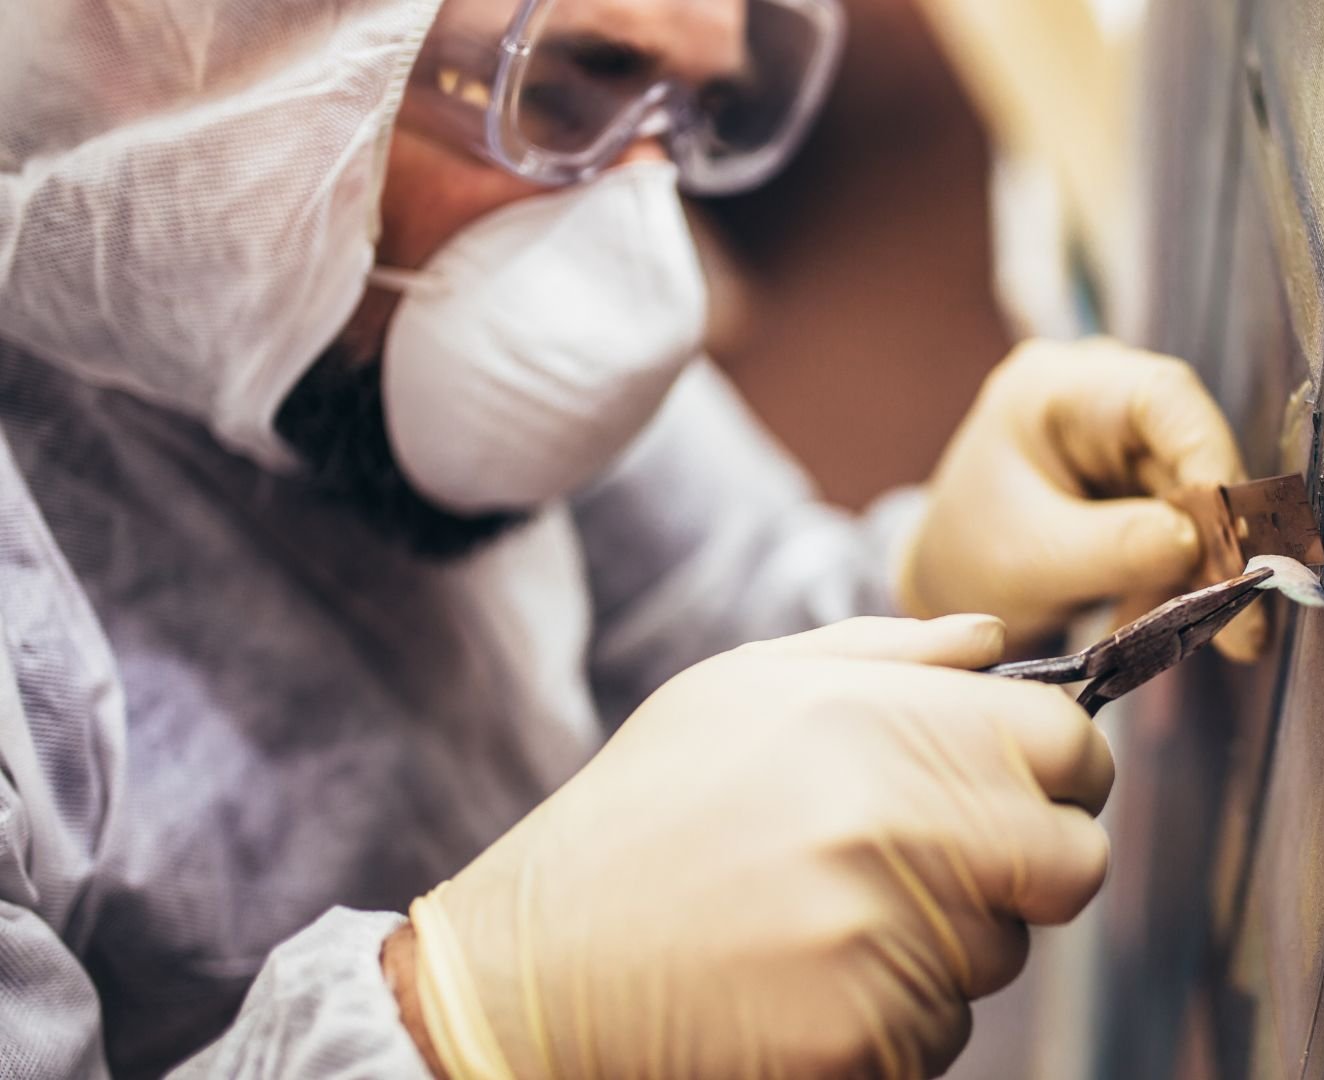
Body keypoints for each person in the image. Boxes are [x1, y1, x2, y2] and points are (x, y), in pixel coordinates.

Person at [0, 0, 1258, 1075]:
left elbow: (701, 639)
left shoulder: (472, 307)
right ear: (152, 40)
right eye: (559, 88)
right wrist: (459, 1024)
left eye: (687, 116)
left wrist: (921, 591)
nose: (643, 259)